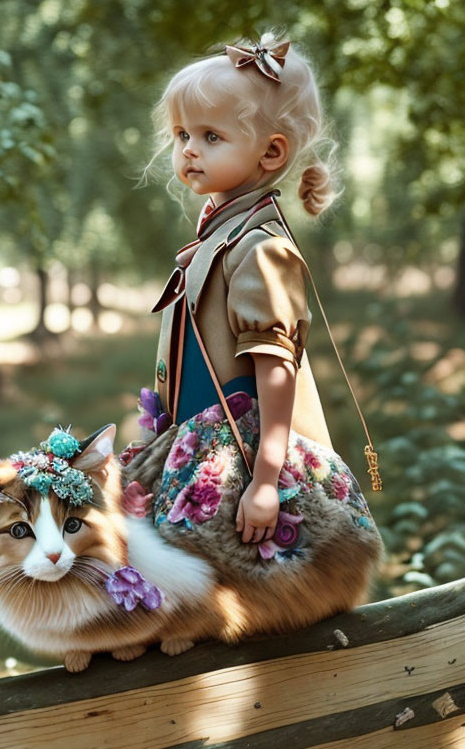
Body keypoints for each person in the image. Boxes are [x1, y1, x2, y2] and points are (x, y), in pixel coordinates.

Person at [121, 31, 381, 560]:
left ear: (271, 152)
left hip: (239, 455)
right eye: (180, 135)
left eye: (211, 136)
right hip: (194, 441)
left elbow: (276, 370)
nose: (188, 149)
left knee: (232, 570)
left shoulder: (260, 250)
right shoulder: (217, 233)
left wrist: (265, 482)